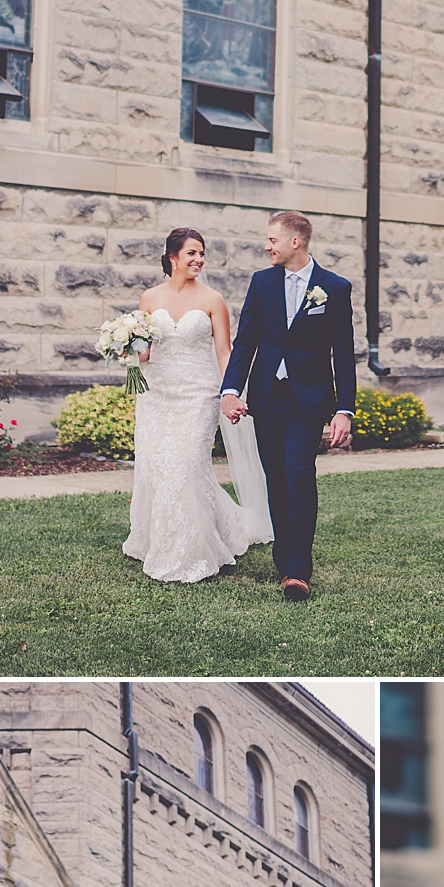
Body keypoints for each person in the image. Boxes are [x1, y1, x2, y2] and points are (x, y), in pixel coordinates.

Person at [219, 210, 355, 602]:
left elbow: (343, 355)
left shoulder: (335, 288)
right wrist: (231, 389)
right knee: (275, 479)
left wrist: (344, 409)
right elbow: (246, 342)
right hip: (267, 398)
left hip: (308, 401)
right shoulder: (261, 283)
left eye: (272, 240)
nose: (267, 246)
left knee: (299, 474)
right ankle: (284, 560)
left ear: (295, 241)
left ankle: (299, 570)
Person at [123, 227, 271, 582]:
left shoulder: (212, 299)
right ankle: (159, 540)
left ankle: (191, 550)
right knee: (158, 467)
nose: (198, 260)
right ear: (172, 257)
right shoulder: (149, 297)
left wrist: (230, 391)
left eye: (201, 253)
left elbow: (224, 351)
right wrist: (127, 348)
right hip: (156, 394)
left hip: (199, 393)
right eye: (191, 253)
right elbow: (144, 352)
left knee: (188, 464)